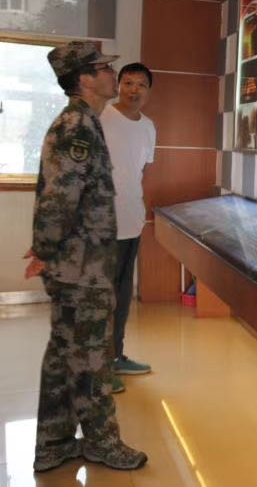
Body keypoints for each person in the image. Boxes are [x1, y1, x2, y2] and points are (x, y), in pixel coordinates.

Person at [25, 41, 147, 472]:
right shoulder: (77, 126)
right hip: (81, 268)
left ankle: (54, 443)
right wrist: (45, 250)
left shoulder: (83, 123)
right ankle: (102, 442)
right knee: (92, 358)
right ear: (84, 79)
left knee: (64, 354)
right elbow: (60, 200)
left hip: (78, 262)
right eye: (104, 68)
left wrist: (47, 249)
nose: (113, 74)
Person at [100, 63, 157, 394]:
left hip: (132, 221)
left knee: (122, 296)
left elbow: (141, 172)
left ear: (149, 91)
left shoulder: (148, 127)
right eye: (128, 83)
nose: (134, 90)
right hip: (102, 225)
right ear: (118, 85)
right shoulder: (102, 118)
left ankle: (115, 356)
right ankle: (98, 368)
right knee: (101, 298)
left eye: (141, 85)